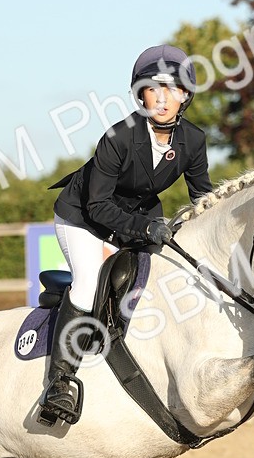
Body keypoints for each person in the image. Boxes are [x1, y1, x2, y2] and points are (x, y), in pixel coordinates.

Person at [38, 44, 214, 425]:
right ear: (141, 94)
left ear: (185, 96)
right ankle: (59, 383)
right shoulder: (118, 138)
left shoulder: (194, 141)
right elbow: (98, 206)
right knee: (87, 284)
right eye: (154, 88)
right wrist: (146, 227)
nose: (163, 98)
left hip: (138, 217)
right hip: (82, 218)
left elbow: (203, 199)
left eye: (173, 89)